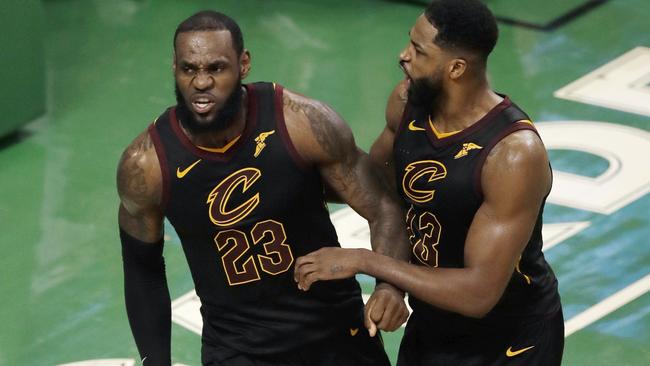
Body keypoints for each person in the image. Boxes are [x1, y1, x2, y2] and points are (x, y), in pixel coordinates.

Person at [116, 10, 410, 366]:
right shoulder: (146, 165)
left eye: (216, 68)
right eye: (189, 69)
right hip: (238, 350)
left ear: (244, 64)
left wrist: (390, 286)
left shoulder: (301, 123)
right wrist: (155, 362)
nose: (201, 83)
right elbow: (142, 270)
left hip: (335, 331)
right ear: (174, 67)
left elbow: (384, 207)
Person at [294, 0, 564, 365]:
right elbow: (378, 192)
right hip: (433, 323)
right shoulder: (406, 103)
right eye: (410, 42)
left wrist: (365, 262)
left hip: (509, 341)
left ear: (455, 68)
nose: (403, 56)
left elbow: (478, 294)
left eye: (419, 51)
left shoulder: (513, 155)